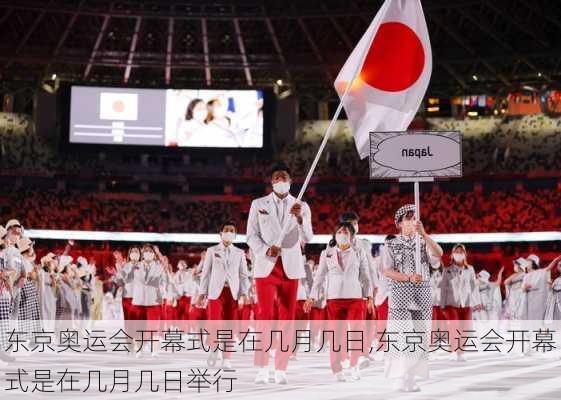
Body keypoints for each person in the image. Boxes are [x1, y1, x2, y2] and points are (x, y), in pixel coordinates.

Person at [246, 161, 313, 384]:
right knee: (265, 316)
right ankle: (262, 367)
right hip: (266, 266)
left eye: (284, 178)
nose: (280, 181)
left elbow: (309, 237)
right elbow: (251, 235)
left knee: (287, 318)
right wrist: (266, 249)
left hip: (291, 266)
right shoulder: (258, 204)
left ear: (290, 181)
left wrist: (301, 218)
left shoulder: (301, 205)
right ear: (271, 181)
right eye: (276, 178)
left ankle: (281, 368)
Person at [381, 204, 443, 393]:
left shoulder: (423, 242)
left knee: (419, 337)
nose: (411, 221)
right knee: (401, 336)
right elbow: (387, 270)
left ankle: (411, 376)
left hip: (422, 295)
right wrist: (408, 278)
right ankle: (399, 377)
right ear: (399, 223)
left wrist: (424, 234)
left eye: (413, 217)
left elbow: (439, 255)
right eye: (407, 218)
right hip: (401, 296)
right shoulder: (391, 244)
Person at [305, 222, 373, 382]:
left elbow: (365, 276)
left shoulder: (358, 252)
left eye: (346, 232)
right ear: (335, 235)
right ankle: (336, 368)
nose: (343, 234)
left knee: (357, 332)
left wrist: (369, 296)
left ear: (351, 237)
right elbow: (320, 277)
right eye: (340, 231)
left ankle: (354, 365)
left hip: (355, 297)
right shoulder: (326, 254)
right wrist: (312, 296)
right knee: (335, 334)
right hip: (334, 298)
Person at [195, 221, 250, 369]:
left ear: (235, 235)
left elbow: (244, 275)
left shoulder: (239, 253)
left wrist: (244, 293)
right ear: (221, 233)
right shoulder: (212, 251)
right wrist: (202, 293)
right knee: (214, 323)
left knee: (229, 326)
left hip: (232, 293)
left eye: (232, 230)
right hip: (215, 293)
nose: (229, 232)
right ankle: (214, 349)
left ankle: (227, 358)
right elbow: (205, 274)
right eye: (226, 230)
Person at [338, 212, 376, 365]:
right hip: (343, 290)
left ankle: (363, 352)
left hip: (362, 288)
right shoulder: (335, 243)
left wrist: (372, 288)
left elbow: (370, 267)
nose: (354, 226)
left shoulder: (364, 244)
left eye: (355, 223)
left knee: (365, 321)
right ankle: (343, 354)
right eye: (350, 223)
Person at [439, 244, 482, 362]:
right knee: (454, 326)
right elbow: (443, 288)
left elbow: (474, 287)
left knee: (466, 328)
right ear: (452, 255)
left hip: (466, 303)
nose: (459, 254)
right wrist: (442, 305)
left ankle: (461, 352)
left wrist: (477, 302)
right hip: (450, 304)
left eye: (461, 251)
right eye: (456, 252)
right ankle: (453, 350)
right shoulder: (447, 270)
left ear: (465, 254)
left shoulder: (470, 269)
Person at [131, 244, 165, 358]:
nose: (148, 253)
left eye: (150, 251)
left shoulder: (158, 266)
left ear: (153, 254)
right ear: (142, 253)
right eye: (146, 251)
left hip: (153, 301)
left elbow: (160, 279)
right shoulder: (136, 266)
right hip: (139, 300)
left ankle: (155, 351)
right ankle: (138, 349)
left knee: (153, 327)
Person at [0, 226, 16, 364]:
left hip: (3, 292)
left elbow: (10, 270)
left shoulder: (4, 254)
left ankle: (3, 350)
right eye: (5, 238)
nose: (8, 240)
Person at [523, 254, 554, 321]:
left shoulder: (541, 272)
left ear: (533, 263)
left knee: (541, 321)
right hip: (530, 301)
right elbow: (523, 288)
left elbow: (549, 267)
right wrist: (525, 287)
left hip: (540, 301)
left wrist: (556, 260)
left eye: (529, 261)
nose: (526, 262)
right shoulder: (526, 276)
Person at [544, 255, 561, 322]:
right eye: (559, 265)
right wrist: (555, 261)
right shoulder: (556, 280)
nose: (559, 266)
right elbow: (546, 271)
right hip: (555, 307)